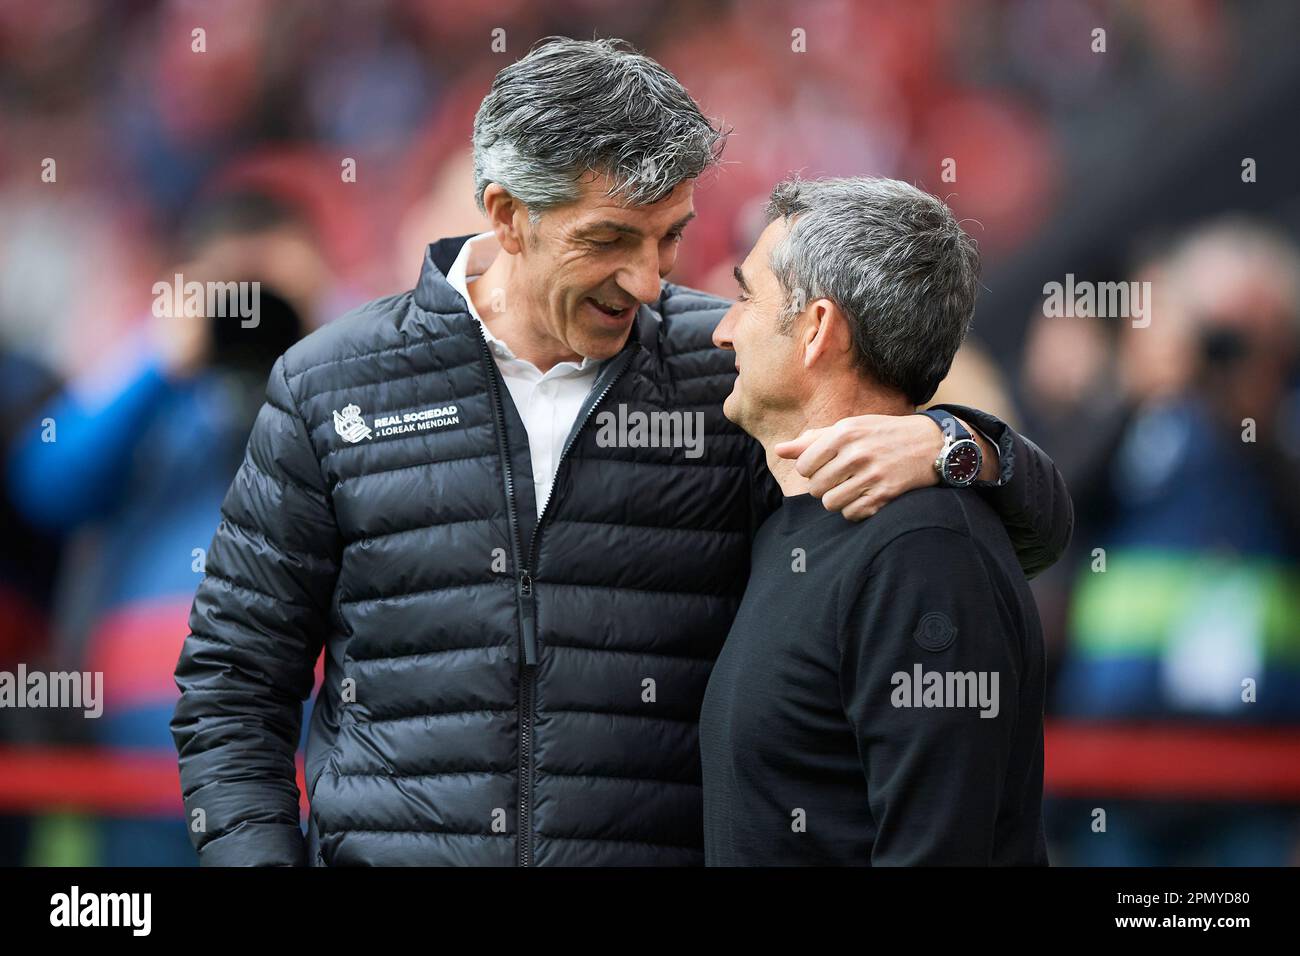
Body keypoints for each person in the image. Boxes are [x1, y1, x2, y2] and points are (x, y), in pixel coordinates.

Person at [170, 37, 1072, 867]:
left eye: (670, 238)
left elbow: (1005, 537)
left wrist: (960, 445)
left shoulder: (722, 374)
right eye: (609, 240)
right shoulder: (335, 384)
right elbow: (230, 681)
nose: (646, 280)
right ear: (507, 215)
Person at [701, 176, 1050, 865]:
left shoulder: (924, 555)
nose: (721, 329)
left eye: (745, 297)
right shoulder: (797, 517)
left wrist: (960, 445)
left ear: (818, 330)